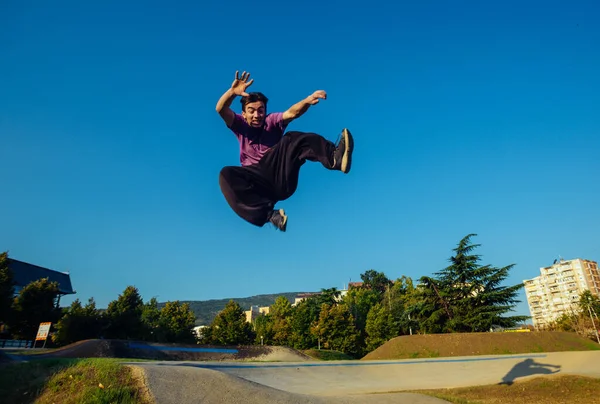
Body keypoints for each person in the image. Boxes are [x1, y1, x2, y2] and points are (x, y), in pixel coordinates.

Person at [216, 70, 354, 232]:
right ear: (244, 114)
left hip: (281, 177)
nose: (256, 115)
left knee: (292, 139)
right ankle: (269, 215)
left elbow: (292, 113)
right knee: (226, 174)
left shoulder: (271, 122)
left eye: (261, 110)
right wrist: (232, 93)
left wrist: (308, 100)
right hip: (258, 184)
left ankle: (334, 158)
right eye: (251, 111)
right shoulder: (240, 125)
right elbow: (221, 109)